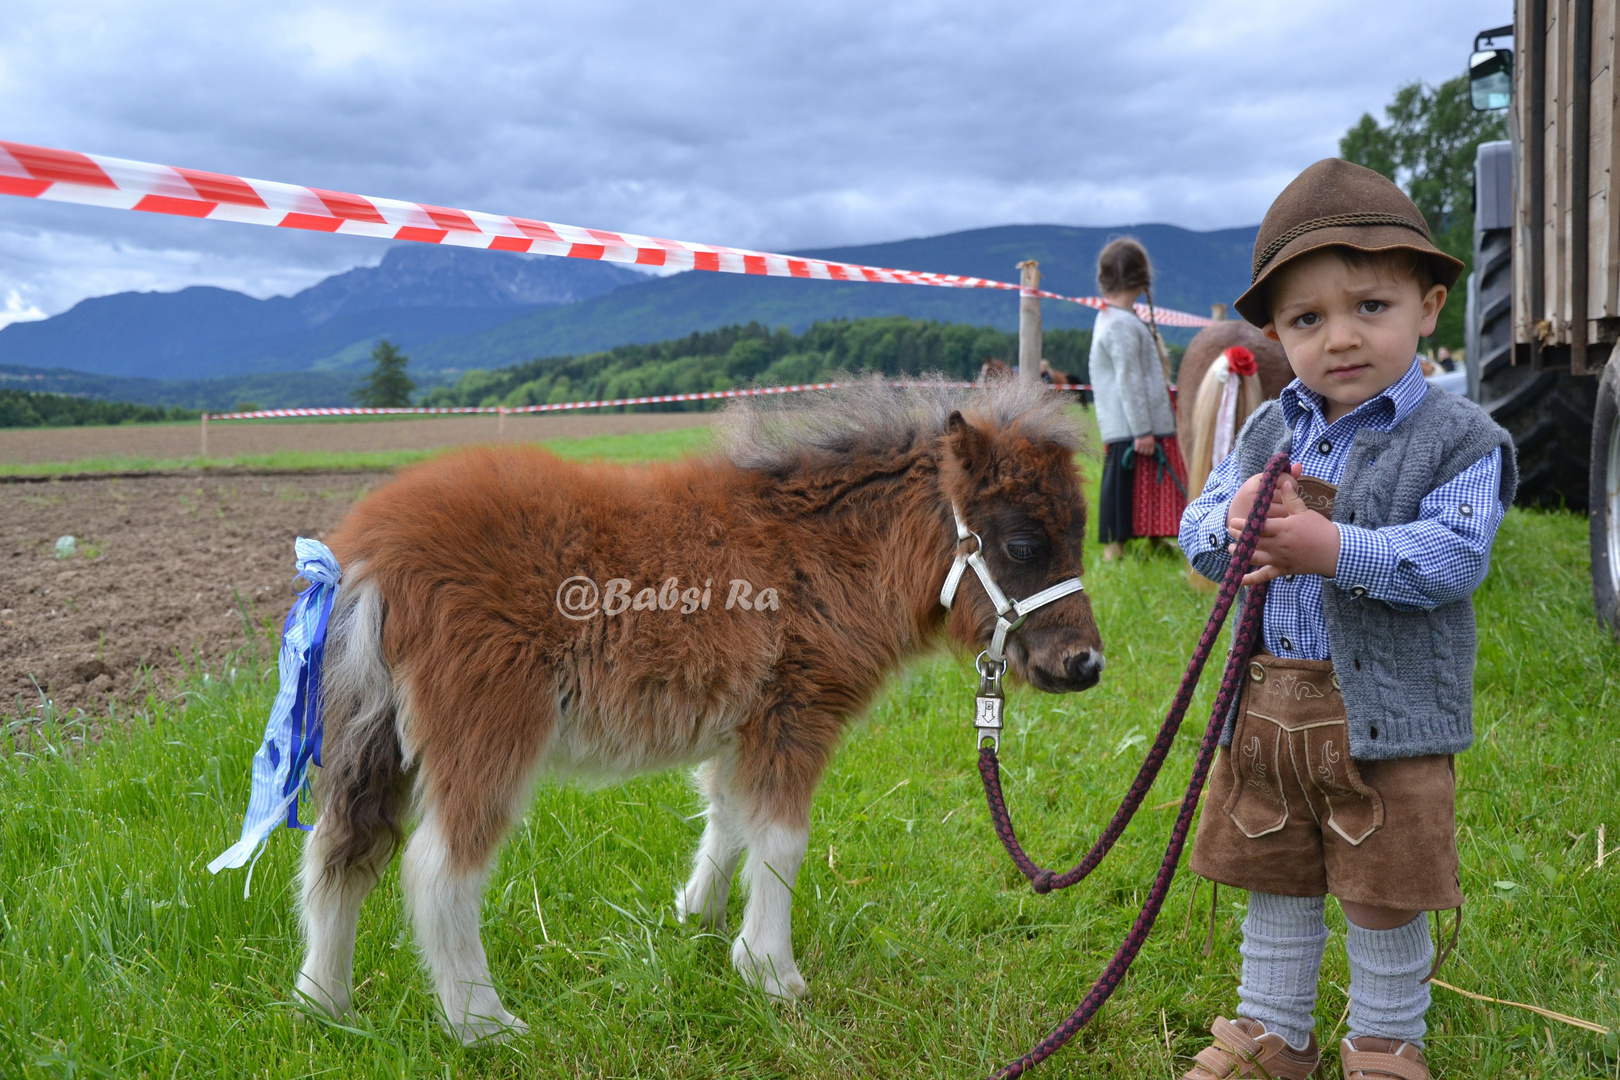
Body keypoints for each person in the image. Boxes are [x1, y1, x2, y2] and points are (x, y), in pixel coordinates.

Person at [1177, 158, 1516, 1080]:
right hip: (1271, 714)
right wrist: (1231, 520)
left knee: (1381, 889)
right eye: (1307, 319)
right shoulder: (1263, 434)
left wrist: (1333, 549)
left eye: (1370, 306)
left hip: (1391, 721)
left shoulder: (1461, 441)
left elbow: (1453, 558)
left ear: (1431, 304)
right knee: (1276, 880)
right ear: (1279, 331)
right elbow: (1198, 532)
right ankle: (1274, 1034)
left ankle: (1384, 1042)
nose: (1340, 338)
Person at [1089, 237, 1187, 560]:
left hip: (1136, 426)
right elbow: (1129, 381)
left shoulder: (1117, 318)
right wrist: (1142, 430)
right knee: (1124, 491)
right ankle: (1114, 550)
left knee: (1146, 488)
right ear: (1142, 277)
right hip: (1132, 429)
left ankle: (1155, 540)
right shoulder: (1120, 325)